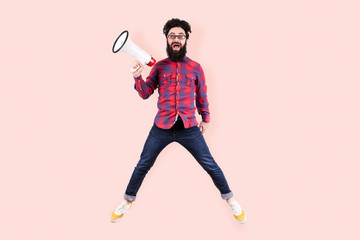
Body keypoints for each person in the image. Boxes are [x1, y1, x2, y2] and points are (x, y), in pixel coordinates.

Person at [110, 18, 246, 224]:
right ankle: (127, 201)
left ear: (186, 40)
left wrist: (206, 118)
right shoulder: (158, 68)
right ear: (167, 39)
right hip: (161, 128)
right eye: (172, 35)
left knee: (210, 165)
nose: (176, 39)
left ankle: (231, 200)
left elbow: (202, 95)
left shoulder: (195, 68)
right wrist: (137, 77)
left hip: (189, 128)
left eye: (180, 36)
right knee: (143, 164)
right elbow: (145, 93)